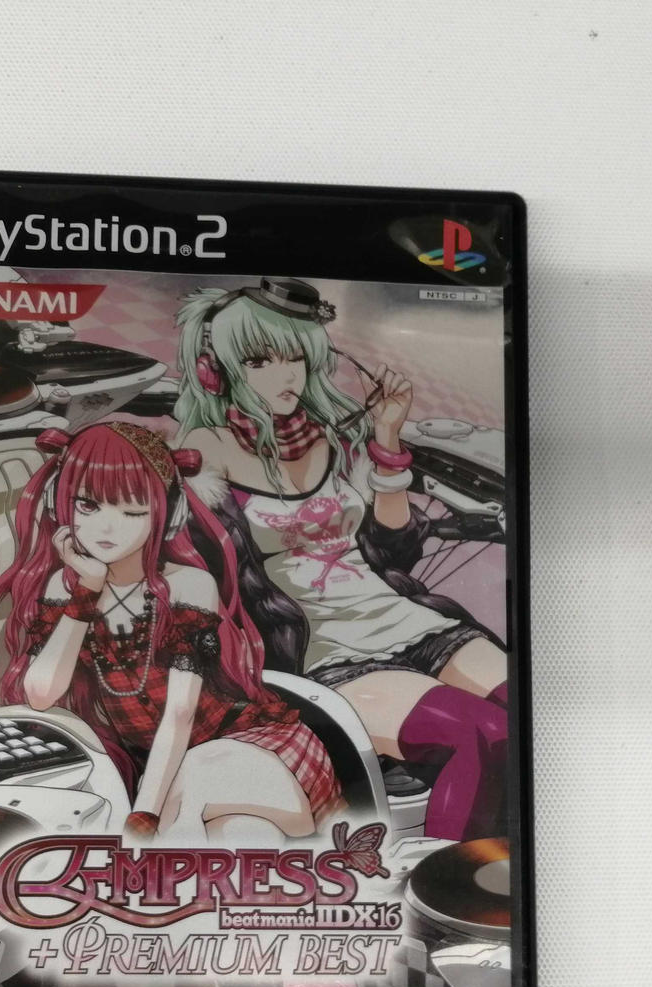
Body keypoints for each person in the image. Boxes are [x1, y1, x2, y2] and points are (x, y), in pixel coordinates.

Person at [174, 277, 507, 841]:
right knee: (479, 733)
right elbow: (197, 571)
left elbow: (396, 546)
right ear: (215, 370)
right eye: (259, 361)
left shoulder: (331, 437)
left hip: (414, 623)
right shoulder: (207, 451)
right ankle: (441, 882)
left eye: (295, 358)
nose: (285, 376)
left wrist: (387, 439)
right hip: (328, 656)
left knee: (526, 719)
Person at [0, 420, 341, 846]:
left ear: (167, 515)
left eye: (132, 512)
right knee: (240, 835)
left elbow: (180, 713)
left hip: (245, 750)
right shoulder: (65, 590)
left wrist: (144, 816)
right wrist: (86, 592)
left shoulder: (188, 586)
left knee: (189, 812)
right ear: (60, 504)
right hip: (172, 775)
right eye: (88, 506)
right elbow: (41, 693)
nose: (107, 529)